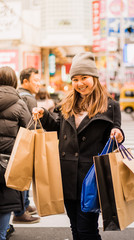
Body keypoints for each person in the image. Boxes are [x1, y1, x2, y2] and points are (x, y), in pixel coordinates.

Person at [32, 52, 124, 240]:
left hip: (91, 177)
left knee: (87, 229)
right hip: (66, 173)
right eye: (75, 79)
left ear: (94, 78)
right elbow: (57, 127)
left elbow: (115, 133)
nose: (80, 83)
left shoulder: (110, 106)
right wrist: (44, 114)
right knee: (75, 226)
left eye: (84, 78)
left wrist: (119, 135)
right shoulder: (66, 104)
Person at [0, 66, 39, 240]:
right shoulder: (19, 103)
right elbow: (31, 129)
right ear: (14, 82)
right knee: (5, 203)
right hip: (9, 161)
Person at [13, 67, 41, 224]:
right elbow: (32, 124)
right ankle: (20, 211)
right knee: (24, 177)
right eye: (35, 81)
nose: (38, 84)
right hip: (25, 143)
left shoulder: (18, 94)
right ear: (25, 81)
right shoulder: (29, 99)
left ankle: (25, 205)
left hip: (16, 142)